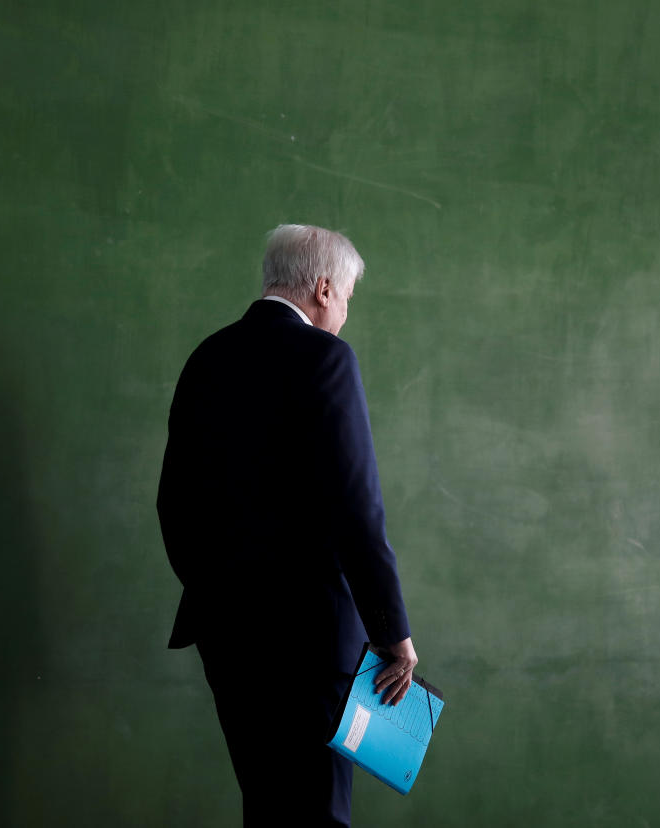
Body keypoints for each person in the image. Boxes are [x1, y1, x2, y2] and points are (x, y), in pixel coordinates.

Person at [157, 224, 418, 826]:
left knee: (270, 807)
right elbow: (357, 510)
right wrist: (391, 632)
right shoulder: (326, 358)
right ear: (323, 288)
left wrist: (216, 590)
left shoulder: (208, 357)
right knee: (317, 813)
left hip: (225, 634)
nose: (345, 314)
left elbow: (173, 502)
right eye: (348, 297)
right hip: (313, 641)